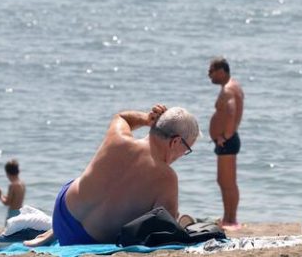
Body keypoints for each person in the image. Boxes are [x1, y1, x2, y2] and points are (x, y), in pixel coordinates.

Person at [25, 105, 198, 246]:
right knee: (148, 211)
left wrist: (146, 118)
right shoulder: (167, 177)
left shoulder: (118, 138)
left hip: (62, 213)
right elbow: (162, 228)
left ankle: (54, 231)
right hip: (86, 240)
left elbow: (121, 117)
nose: (183, 155)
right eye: (186, 150)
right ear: (176, 141)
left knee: (96, 178)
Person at [207, 57, 244, 229]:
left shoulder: (228, 90)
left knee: (228, 183)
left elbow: (231, 111)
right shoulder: (233, 86)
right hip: (227, 141)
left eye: (211, 71)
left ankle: (231, 219)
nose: (209, 75)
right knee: (223, 181)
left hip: (227, 142)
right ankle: (227, 217)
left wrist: (225, 135)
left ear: (221, 71)